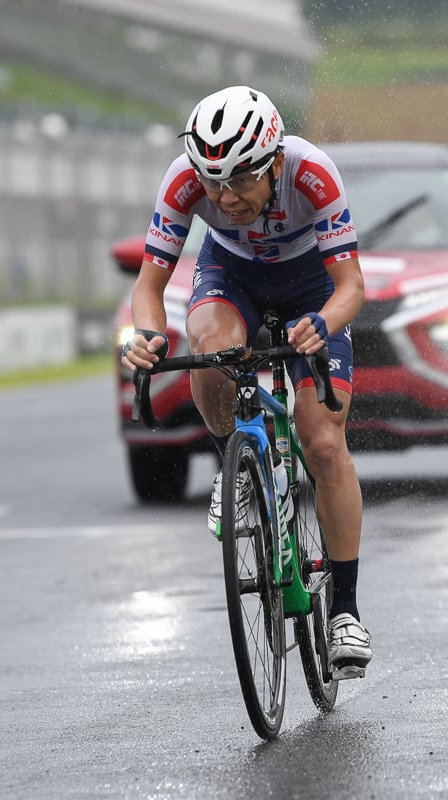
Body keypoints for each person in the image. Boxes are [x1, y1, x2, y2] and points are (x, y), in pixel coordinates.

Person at [119, 85, 371, 680]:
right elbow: (150, 288)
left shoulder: (311, 172)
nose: (224, 198)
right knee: (211, 350)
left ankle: (346, 610)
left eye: (240, 182)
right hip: (231, 275)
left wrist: (323, 322)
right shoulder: (185, 181)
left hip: (313, 284)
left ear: (275, 163)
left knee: (325, 442)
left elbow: (352, 287)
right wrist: (147, 335)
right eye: (213, 184)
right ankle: (235, 464)